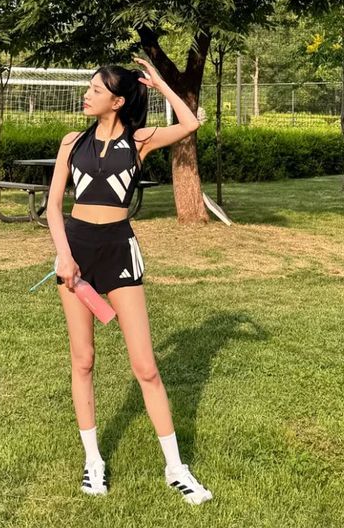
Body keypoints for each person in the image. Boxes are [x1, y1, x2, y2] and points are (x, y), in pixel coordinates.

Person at [46, 57, 212, 505]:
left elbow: (190, 123)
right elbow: (54, 207)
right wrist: (64, 256)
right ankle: (93, 462)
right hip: (76, 253)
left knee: (146, 367)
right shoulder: (71, 142)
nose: (87, 95)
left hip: (119, 250)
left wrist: (160, 84)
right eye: (89, 88)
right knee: (83, 360)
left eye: (97, 90)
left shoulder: (139, 140)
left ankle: (176, 468)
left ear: (117, 101)